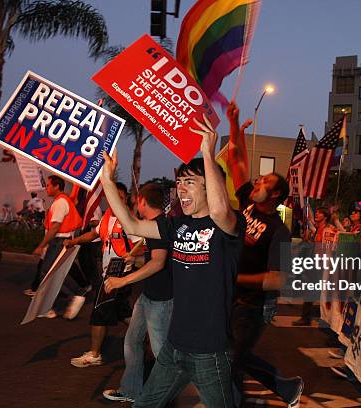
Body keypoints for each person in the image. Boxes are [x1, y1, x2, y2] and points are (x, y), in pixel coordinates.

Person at [99, 115, 245, 408]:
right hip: (173, 348)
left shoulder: (229, 225)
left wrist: (206, 152)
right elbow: (131, 225)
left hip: (209, 352)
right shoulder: (176, 224)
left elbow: (219, 212)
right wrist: (106, 180)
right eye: (179, 182)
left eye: (190, 182)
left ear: (209, 186)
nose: (181, 188)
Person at [227, 101, 304, 408]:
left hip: (251, 307)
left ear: (274, 196)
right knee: (231, 355)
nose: (256, 182)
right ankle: (284, 388)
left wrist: (235, 276)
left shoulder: (279, 232)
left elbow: (276, 279)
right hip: (231, 297)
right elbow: (236, 162)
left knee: (231, 359)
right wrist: (234, 124)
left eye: (263, 183)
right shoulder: (248, 201)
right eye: (258, 180)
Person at [102, 183, 173, 403]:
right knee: (132, 341)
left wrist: (122, 280)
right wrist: (136, 259)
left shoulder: (160, 226)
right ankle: (132, 390)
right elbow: (155, 259)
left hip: (161, 300)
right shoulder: (155, 225)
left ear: (142, 201)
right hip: (148, 297)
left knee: (162, 353)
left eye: (135, 200)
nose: (134, 204)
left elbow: (158, 263)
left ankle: (162, 399)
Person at [65, 182, 138, 367]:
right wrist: (74, 241)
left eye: (120, 197)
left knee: (99, 312)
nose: (116, 200)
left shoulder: (129, 218)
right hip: (108, 273)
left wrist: (132, 257)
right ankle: (151, 336)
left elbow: (142, 244)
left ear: (126, 198)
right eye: (114, 196)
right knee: (122, 312)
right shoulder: (107, 216)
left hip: (119, 276)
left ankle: (94, 354)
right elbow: (93, 235)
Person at [29, 175, 85, 318]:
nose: (46, 188)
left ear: (57, 186)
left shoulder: (60, 202)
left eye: (48, 185)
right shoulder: (62, 200)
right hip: (61, 241)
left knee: (49, 272)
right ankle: (51, 307)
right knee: (51, 273)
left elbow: (55, 228)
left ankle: (74, 294)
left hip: (60, 241)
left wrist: (42, 245)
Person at [293, 207, 341, 326]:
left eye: (320, 213)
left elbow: (333, 243)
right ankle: (307, 317)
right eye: (317, 212)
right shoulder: (318, 229)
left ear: (325, 216)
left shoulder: (329, 229)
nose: (317, 214)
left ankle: (328, 320)